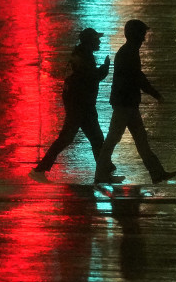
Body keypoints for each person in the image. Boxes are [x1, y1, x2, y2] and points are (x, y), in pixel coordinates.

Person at [94, 20, 176, 184]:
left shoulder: (128, 51)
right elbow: (138, 78)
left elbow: (137, 78)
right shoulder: (129, 53)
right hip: (125, 105)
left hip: (128, 104)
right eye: (142, 34)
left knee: (139, 140)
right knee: (114, 140)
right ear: (136, 34)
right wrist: (156, 95)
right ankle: (101, 175)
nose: (144, 39)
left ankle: (157, 173)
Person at [29, 28, 117, 183]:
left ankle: (105, 174)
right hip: (80, 106)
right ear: (90, 41)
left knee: (96, 138)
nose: (99, 41)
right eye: (97, 39)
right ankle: (39, 170)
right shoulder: (83, 57)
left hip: (82, 106)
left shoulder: (81, 54)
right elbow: (92, 77)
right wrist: (105, 67)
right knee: (68, 138)